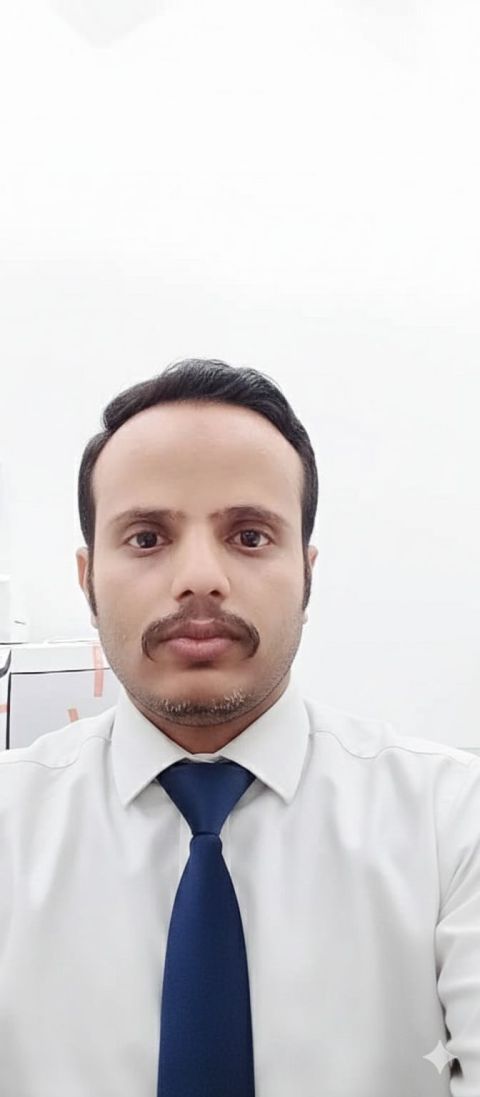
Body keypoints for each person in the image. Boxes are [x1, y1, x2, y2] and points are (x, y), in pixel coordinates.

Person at [0, 357, 479, 1097]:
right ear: (87, 579)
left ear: (307, 573)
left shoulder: (454, 823)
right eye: (147, 537)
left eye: (250, 536)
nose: (200, 577)